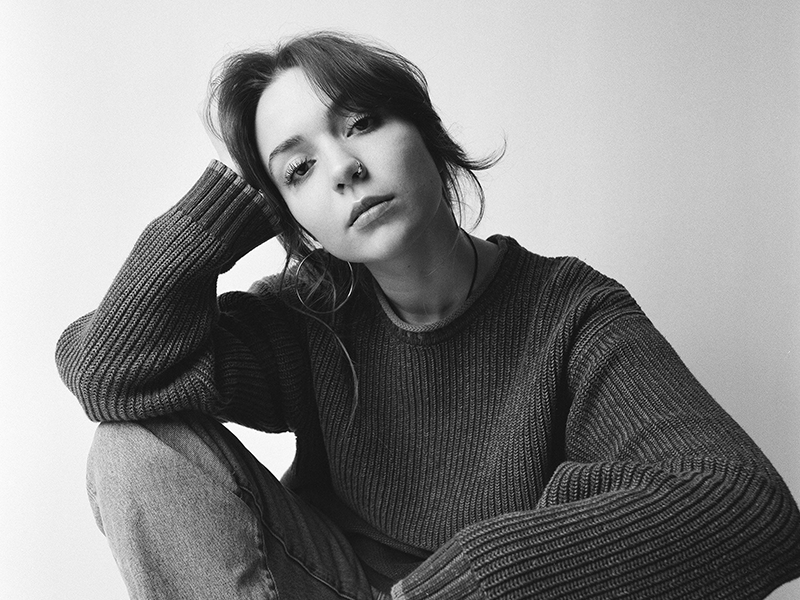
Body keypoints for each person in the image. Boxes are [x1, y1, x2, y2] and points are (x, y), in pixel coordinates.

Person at [56, 31, 800, 600]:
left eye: (361, 122)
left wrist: (485, 573)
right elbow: (104, 374)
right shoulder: (311, 314)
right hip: (330, 581)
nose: (343, 168)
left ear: (425, 131)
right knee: (131, 447)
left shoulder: (569, 314)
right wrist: (207, 228)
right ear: (295, 218)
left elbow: (752, 511)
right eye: (298, 169)